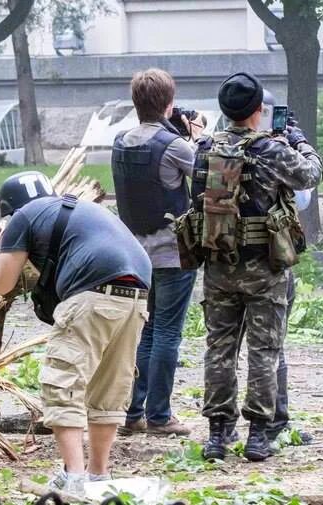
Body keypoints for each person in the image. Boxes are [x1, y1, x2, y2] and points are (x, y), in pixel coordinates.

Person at [184, 72, 322, 462]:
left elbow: (195, 197)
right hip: (265, 266)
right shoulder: (270, 149)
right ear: (258, 110)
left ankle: (217, 434)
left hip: (219, 263)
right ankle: (259, 435)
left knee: (219, 348)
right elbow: (310, 174)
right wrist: (299, 141)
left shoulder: (205, 147)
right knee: (264, 349)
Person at [0, 171, 151, 497]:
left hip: (91, 293)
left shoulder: (22, 218)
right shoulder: (79, 210)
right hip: (138, 292)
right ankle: (99, 475)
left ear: (10, 210)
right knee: (109, 386)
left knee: (63, 383)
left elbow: (1, 283)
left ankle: (74, 478)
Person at [112, 68, 205, 437]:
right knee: (167, 332)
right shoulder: (176, 145)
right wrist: (194, 136)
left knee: (143, 333)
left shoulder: (120, 141)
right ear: (169, 104)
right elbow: (206, 175)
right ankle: (161, 416)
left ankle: (134, 412)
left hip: (134, 253)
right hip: (173, 252)